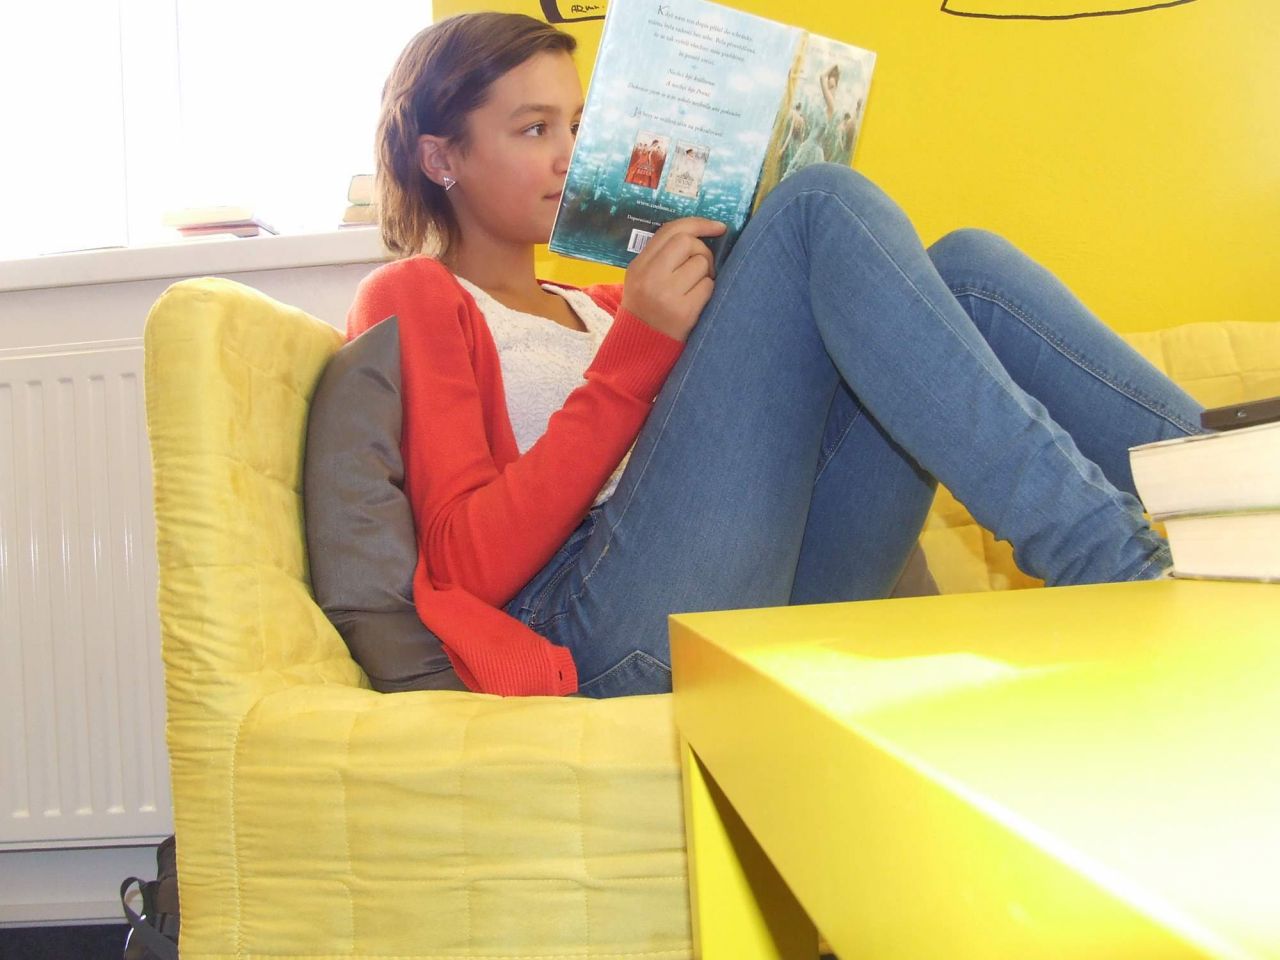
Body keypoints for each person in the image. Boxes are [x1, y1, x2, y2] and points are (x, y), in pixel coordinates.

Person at [350, 12, 1203, 699]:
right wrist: (638, 350)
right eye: (533, 128)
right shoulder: (416, 293)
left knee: (967, 270)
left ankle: (1234, 495)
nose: (568, 153)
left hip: (760, 592)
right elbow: (463, 564)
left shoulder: (606, 301)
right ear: (441, 157)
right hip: (600, 627)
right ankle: (1115, 561)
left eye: (576, 123)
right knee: (817, 205)